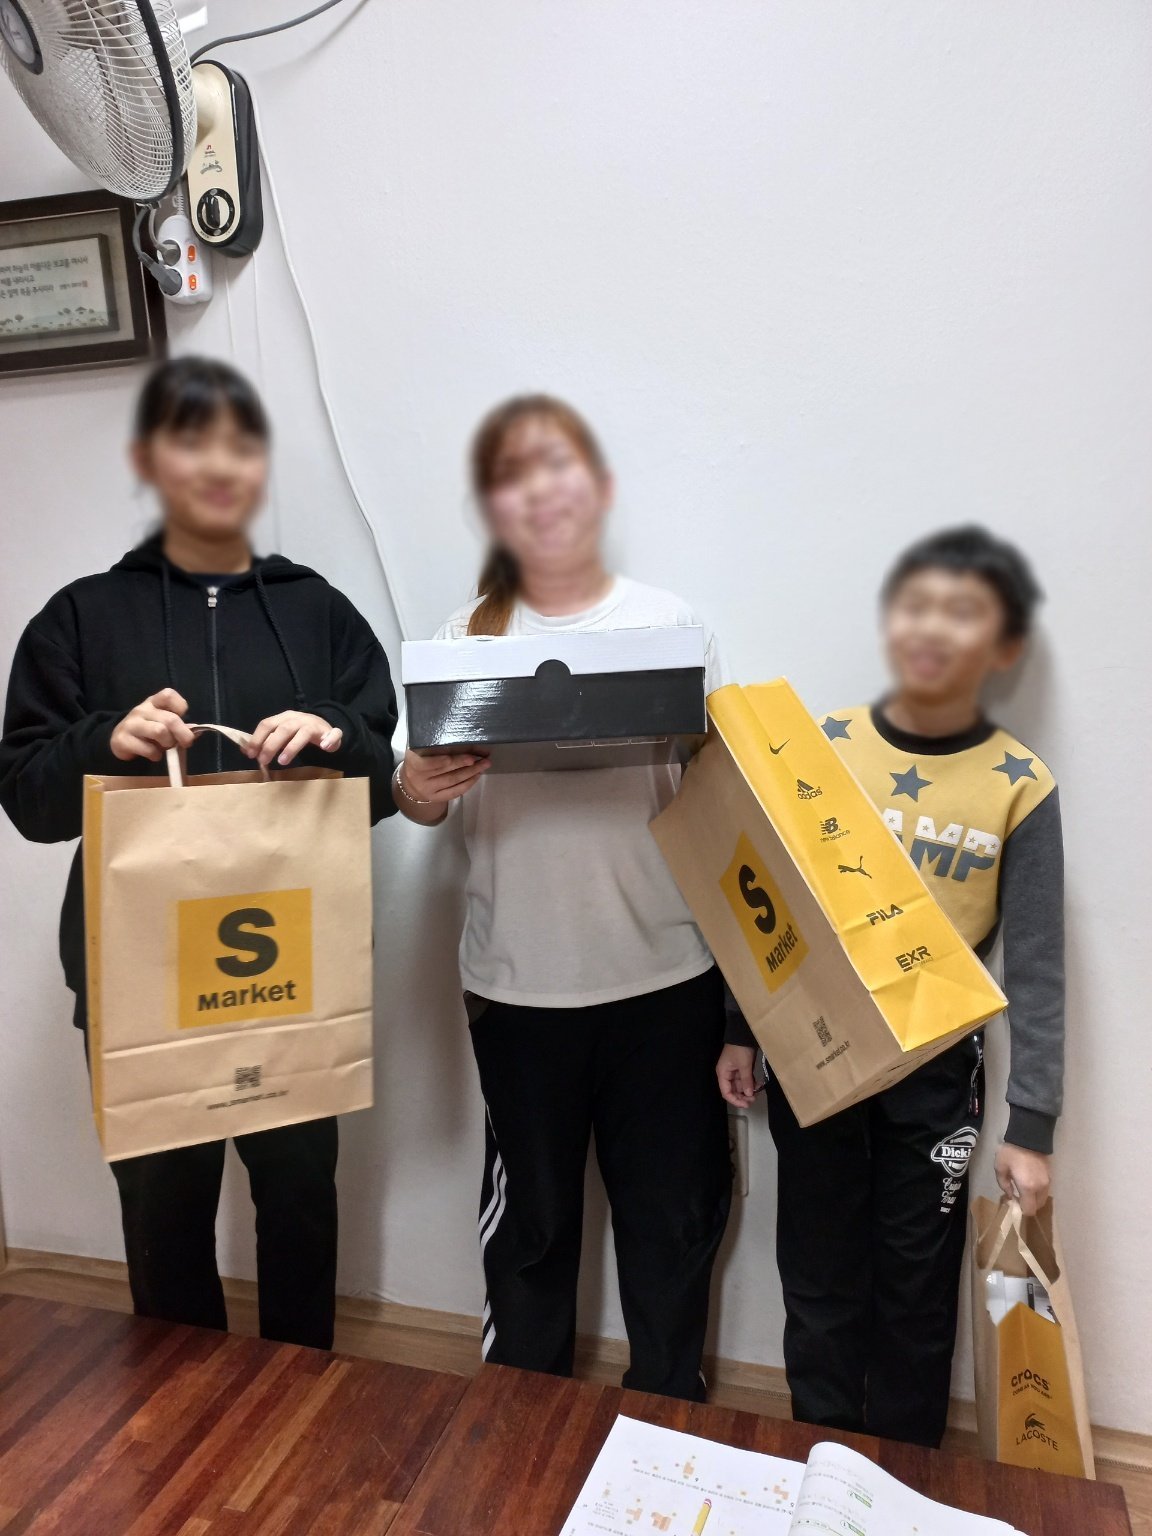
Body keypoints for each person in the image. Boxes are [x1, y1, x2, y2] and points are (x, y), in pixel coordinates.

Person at [0, 355, 399, 1349]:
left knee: (300, 1197)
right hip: (139, 968)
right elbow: (27, 800)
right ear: (150, 462)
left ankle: (301, 1385)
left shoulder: (317, 611)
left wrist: (336, 735)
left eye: (238, 446)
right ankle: (183, 1406)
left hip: (288, 962)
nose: (217, 466)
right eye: (191, 443)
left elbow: (383, 779)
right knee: (163, 1211)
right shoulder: (80, 615)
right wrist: (106, 741)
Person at [395, 395, 731, 1401]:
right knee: (532, 1232)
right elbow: (420, 805)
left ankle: (669, 1417)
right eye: (513, 475)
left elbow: (722, 806)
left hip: (665, 977)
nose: (540, 492)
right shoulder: (463, 639)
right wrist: (415, 787)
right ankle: (520, 1425)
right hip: (519, 989)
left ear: (600, 488)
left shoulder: (671, 627)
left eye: (559, 466)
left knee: (672, 1221)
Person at [717, 525, 1063, 1448]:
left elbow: (1036, 965)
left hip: (937, 1072)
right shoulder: (822, 749)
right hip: (815, 1055)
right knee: (818, 1273)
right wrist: (741, 1027)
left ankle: (906, 1475)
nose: (934, 629)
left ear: (1004, 646)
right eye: (917, 607)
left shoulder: (1021, 785)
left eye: (965, 614)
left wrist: (1033, 1125)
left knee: (916, 1287)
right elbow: (766, 908)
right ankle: (821, 1457)